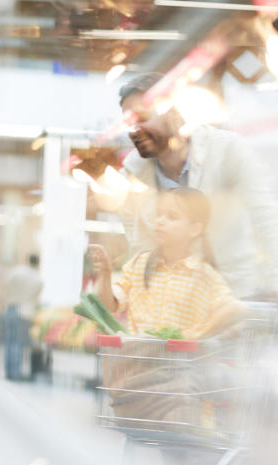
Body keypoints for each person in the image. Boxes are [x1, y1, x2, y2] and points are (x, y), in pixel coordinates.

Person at [117, 73, 278, 299]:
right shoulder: (132, 175)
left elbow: (267, 219)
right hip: (177, 304)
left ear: (173, 112)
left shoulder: (227, 150)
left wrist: (274, 283)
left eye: (141, 118)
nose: (133, 130)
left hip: (236, 297)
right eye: (128, 122)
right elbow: (141, 249)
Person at [89, 188, 243, 338]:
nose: (160, 221)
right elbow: (108, 305)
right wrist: (105, 273)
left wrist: (196, 335)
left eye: (172, 216)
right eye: (158, 214)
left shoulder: (203, 274)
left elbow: (234, 308)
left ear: (194, 230)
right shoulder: (139, 264)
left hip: (181, 362)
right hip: (138, 360)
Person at [3, 254, 42, 380]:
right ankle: (15, 373)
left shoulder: (17, 271)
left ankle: (8, 370)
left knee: (9, 340)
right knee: (18, 343)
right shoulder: (38, 279)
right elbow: (36, 298)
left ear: (27, 260)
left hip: (11, 307)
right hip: (25, 311)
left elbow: (6, 285)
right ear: (37, 263)